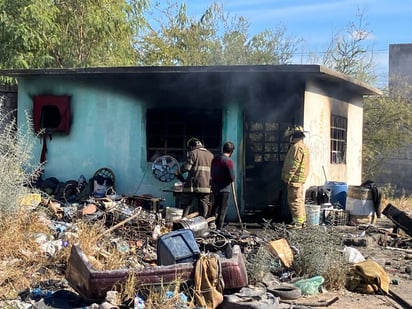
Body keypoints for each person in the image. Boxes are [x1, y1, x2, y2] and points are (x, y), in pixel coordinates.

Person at [176, 137, 214, 218]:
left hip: (192, 186)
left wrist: (178, 172)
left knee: (185, 204)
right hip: (206, 186)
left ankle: (182, 222)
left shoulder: (193, 153)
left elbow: (186, 167)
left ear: (191, 146)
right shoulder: (211, 155)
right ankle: (203, 222)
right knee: (203, 206)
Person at [281, 125, 310, 229]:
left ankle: (297, 223)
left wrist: (287, 177)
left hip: (295, 180)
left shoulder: (296, 147)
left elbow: (293, 164)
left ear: (293, 136)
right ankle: (302, 222)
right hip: (300, 180)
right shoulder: (304, 147)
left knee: (294, 201)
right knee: (299, 200)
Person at [210, 141, 236, 229]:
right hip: (224, 189)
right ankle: (219, 228)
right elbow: (232, 177)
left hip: (214, 188)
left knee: (215, 206)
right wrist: (232, 179)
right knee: (222, 209)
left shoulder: (215, 159)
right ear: (231, 151)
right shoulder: (228, 161)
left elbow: (212, 173)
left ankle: (210, 224)